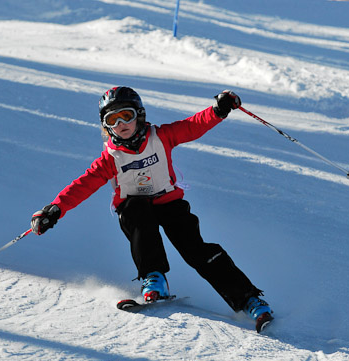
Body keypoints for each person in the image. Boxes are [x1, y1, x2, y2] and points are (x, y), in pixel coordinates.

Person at [31, 87, 273, 332]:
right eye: (112, 120)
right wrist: (55, 209)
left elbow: (192, 126)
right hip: (133, 208)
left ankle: (249, 299)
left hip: (168, 201)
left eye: (126, 115)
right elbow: (83, 184)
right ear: (105, 127)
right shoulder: (110, 158)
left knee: (195, 249)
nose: (121, 124)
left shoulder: (161, 136)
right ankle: (154, 279)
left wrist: (218, 111)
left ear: (139, 115)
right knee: (138, 216)